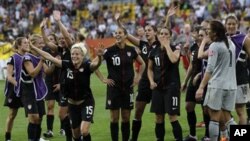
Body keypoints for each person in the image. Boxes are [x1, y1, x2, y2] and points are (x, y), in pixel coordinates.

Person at [30, 42, 103, 141]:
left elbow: (95, 65)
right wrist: (33, 47)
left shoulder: (87, 66)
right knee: (76, 135)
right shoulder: (66, 64)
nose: (74, 56)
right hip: (72, 104)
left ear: (82, 56)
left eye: (77, 54)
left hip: (86, 102)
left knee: (84, 131)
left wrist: (100, 58)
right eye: (73, 54)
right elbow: (49, 57)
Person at [114, 12, 159, 141]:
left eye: (149, 30)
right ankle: (133, 138)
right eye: (146, 30)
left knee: (158, 114)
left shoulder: (160, 46)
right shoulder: (143, 45)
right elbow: (127, 35)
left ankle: (158, 137)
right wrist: (118, 23)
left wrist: (167, 19)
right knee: (138, 111)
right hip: (144, 82)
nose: (147, 32)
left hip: (157, 82)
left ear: (155, 32)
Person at [97, 27, 145, 141]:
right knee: (114, 118)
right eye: (116, 33)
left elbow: (142, 64)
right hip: (114, 88)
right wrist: (103, 79)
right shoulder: (109, 51)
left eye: (120, 33)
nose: (117, 35)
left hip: (128, 88)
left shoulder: (131, 50)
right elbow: (94, 66)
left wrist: (138, 77)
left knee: (126, 118)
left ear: (125, 35)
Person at [196, 20, 237, 141]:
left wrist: (201, 87)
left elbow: (210, 69)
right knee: (228, 118)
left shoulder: (215, 46)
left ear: (215, 32)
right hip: (231, 85)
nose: (207, 31)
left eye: (209, 29)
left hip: (218, 85)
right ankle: (227, 137)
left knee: (214, 118)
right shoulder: (231, 43)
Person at [147, 27, 183, 141]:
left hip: (171, 87)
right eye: (161, 34)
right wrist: (151, 81)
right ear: (158, 36)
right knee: (158, 117)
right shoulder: (154, 51)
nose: (163, 36)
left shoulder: (175, 48)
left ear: (170, 36)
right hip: (158, 88)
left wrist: (167, 46)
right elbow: (150, 69)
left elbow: (173, 60)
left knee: (172, 116)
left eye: (166, 34)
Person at [20, 34, 53, 141]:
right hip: (28, 91)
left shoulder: (39, 56)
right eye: (40, 43)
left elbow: (47, 71)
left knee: (39, 118)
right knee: (33, 118)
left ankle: (37, 138)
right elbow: (32, 73)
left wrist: (55, 62)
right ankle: (31, 139)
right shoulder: (27, 58)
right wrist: (42, 61)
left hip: (38, 91)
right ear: (33, 45)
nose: (42, 45)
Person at [225, 15, 250, 125]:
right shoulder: (221, 38)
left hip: (240, 79)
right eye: (229, 24)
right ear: (225, 25)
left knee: (240, 111)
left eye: (233, 24)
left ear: (237, 25)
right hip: (225, 80)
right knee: (224, 110)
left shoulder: (244, 39)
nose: (231, 26)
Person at [3, 37, 29, 141]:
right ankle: (7, 137)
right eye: (25, 43)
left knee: (32, 115)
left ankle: (33, 137)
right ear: (18, 45)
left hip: (27, 90)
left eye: (28, 42)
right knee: (12, 114)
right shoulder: (12, 58)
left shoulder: (29, 57)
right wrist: (18, 85)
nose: (27, 44)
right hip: (14, 90)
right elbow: (9, 76)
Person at [40, 18, 61, 138]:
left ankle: (64, 128)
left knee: (64, 108)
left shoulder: (61, 51)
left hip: (61, 81)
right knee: (50, 106)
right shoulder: (46, 51)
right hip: (49, 81)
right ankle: (50, 130)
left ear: (56, 42)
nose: (50, 41)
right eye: (49, 39)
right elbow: (47, 70)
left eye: (52, 39)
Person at [181, 25, 203, 141]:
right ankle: (193, 135)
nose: (193, 33)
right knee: (188, 106)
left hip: (204, 80)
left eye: (195, 31)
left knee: (206, 109)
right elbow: (191, 65)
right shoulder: (193, 46)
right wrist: (185, 80)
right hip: (193, 80)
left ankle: (208, 135)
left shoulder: (208, 46)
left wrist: (200, 75)